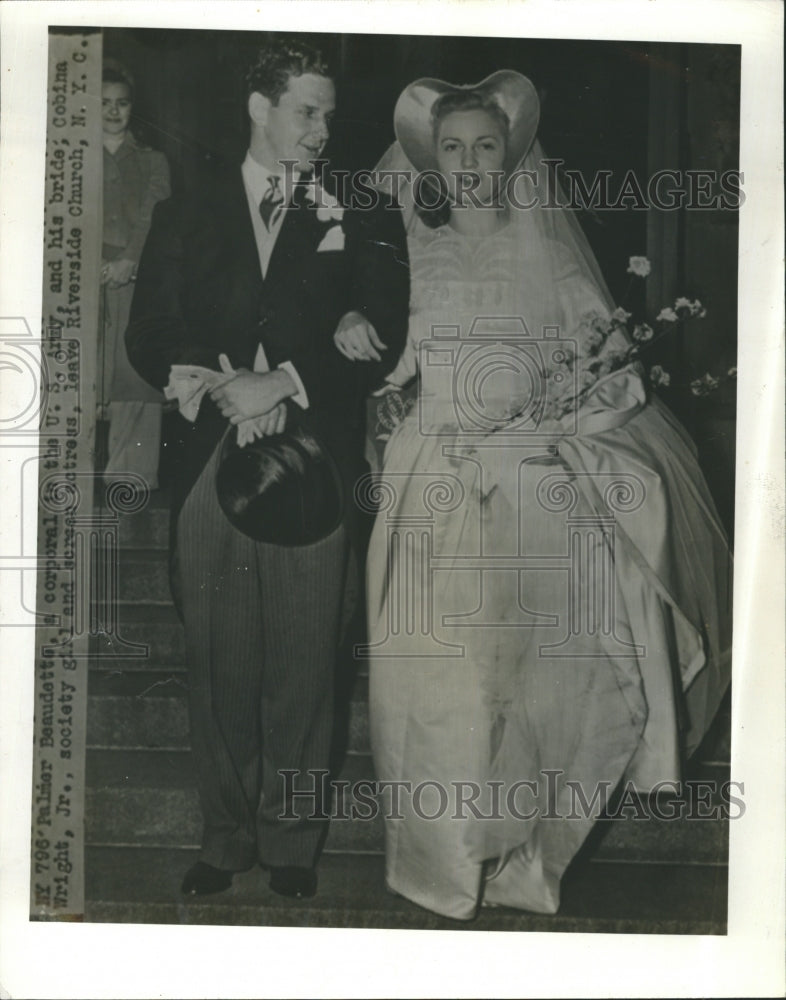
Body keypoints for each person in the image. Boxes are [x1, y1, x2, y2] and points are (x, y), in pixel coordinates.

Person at [337, 72, 732, 920]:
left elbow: (610, 364)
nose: (471, 161)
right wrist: (366, 355)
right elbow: (386, 357)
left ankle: (525, 854)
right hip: (432, 481)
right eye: (453, 148)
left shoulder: (546, 246)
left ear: (511, 153)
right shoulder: (409, 236)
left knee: (547, 685)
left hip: (531, 487)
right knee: (438, 689)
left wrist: (567, 407)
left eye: (486, 145)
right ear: (430, 160)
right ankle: (441, 867)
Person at [125, 39, 409, 899]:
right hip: (210, 451)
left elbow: (382, 330)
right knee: (216, 660)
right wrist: (202, 377)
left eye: (327, 112)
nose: (322, 130)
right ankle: (225, 836)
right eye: (305, 111)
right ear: (260, 109)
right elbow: (149, 330)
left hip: (311, 459)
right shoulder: (186, 211)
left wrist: (283, 381)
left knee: (303, 660)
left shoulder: (358, 209)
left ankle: (291, 845)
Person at [100, 60, 170, 488]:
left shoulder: (153, 160)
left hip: (135, 274)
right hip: (81, 276)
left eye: (121, 103)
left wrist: (129, 261)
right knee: (83, 373)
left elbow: (153, 218)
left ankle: (132, 483)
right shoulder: (67, 161)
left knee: (134, 375)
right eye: (104, 103)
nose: (113, 112)